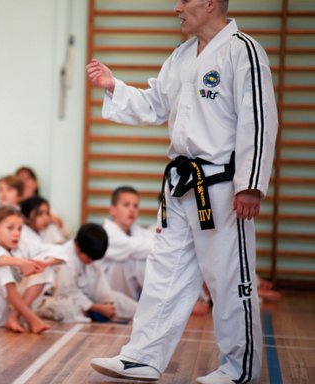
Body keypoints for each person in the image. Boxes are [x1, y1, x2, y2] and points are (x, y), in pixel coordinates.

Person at [86, 0, 278, 382]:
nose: (176, 7)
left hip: (223, 187)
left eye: (184, 1)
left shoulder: (243, 50)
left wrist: (251, 184)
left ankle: (239, 369)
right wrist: (115, 86)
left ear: (209, 3)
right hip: (180, 184)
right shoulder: (182, 55)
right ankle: (142, 356)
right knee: (164, 272)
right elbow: (156, 104)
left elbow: (258, 119)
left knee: (228, 277)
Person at [0, 206, 66, 334]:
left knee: (43, 270)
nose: (16, 233)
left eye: (19, 229)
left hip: (15, 315)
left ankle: (14, 316)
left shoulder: (23, 244)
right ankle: (31, 318)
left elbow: (59, 251)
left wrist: (44, 263)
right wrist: (22, 263)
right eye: (10, 228)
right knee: (1, 266)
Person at [37, 223, 137, 323]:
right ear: (77, 246)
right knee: (67, 310)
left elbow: (101, 284)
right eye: (89, 258)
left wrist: (108, 303)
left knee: (122, 302)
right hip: (59, 300)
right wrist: (97, 308)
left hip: (89, 300)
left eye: (93, 259)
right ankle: (92, 314)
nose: (91, 261)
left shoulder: (91, 254)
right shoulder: (65, 258)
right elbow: (66, 292)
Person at [99, 186, 153, 301]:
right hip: (106, 293)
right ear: (112, 210)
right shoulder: (106, 234)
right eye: (126, 205)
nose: (132, 210)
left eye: (135, 206)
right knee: (125, 261)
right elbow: (135, 247)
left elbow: (155, 242)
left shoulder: (138, 231)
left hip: (132, 295)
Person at [16, 166, 70, 243]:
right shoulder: (12, 209)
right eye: (20, 179)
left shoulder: (45, 206)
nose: (24, 182)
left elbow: (66, 232)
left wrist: (55, 220)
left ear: (36, 183)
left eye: (28, 178)